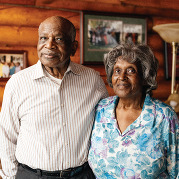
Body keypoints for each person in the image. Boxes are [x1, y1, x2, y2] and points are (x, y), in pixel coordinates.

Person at [0, 16, 108, 179]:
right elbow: (7, 136)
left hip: (82, 174)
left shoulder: (92, 80)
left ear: (73, 47)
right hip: (32, 175)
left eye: (58, 39)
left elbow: (106, 127)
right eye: (44, 38)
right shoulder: (17, 83)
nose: (49, 45)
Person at [88, 43, 179, 178]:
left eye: (131, 70)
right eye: (117, 70)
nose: (122, 76)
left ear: (145, 77)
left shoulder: (163, 116)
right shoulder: (101, 109)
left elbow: (176, 171)